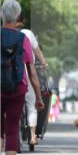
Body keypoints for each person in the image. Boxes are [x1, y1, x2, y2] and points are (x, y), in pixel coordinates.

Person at [1, 0, 45, 155]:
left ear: (2, 15)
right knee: (11, 129)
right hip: (18, 89)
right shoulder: (23, 39)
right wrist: (39, 96)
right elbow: (32, 71)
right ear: (18, 17)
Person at [16, 15, 48, 146]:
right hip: (28, 69)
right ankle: (33, 136)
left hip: (12, 71)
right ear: (22, 21)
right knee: (32, 103)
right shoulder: (28, 33)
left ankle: (12, 135)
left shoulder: (4, 32)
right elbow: (37, 51)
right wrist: (44, 64)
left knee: (14, 102)